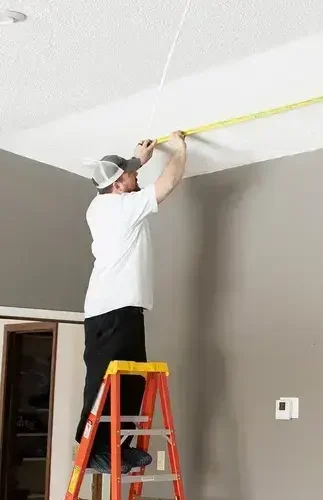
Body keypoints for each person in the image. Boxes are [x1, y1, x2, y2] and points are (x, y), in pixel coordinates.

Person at [75, 130, 188, 474]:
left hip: (116, 308)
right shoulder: (121, 208)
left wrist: (136, 161)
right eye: (131, 174)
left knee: (132, 382)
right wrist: (180, 150)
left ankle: (115, 448)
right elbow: (166, 185)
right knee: (107, 383)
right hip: (114, 308)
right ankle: (93, 448)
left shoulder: (102, 205)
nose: (136, 175)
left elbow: (124, 178)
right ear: (120, 184)